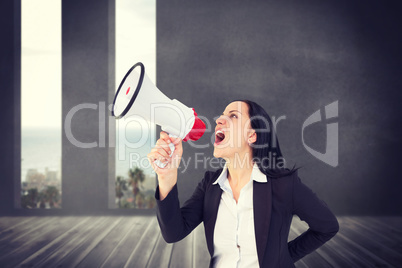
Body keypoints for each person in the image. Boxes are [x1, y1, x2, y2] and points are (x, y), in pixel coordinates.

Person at [148, 100, 339, 268]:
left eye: (233, 116)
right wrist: (167, 176)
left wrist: (283, 258)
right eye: (221, 116)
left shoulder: (283, 185)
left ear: (252, 136)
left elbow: (327, 226)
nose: (218, 121)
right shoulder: (210, 184)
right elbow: (173, 233)